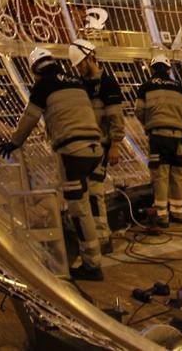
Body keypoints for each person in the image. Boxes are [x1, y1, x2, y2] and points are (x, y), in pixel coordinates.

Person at [0, 47, 105, 281]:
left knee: (78, 210)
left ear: (35, 69)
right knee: (85, 201)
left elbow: (30, 117)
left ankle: (92, 265)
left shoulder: (43, 85)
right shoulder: (76, 81)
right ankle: (97, 250)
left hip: (72, 151)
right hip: (94, 148)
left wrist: (14, 143)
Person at [68, 38, 125, 253]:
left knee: (94, 191)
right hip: (85, 146)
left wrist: (115, 145)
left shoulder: (108, 84)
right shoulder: (81, 84)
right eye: (78, 66)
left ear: (91, 57)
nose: (81, 69)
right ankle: (94, 235)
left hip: (100, 146)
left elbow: (115, 117)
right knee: (86, 192)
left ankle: (102, 237)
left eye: (82, 63)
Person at [136, 52, 182, 228]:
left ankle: (162, 215)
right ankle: (178, 212)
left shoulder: (145, 87)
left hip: (157, 137)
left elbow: (139, 111)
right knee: (178, 175)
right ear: (168, 69)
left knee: (160, 175)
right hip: (177, 137)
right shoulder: (180, 88)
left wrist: (148, 124)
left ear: (152, 68)